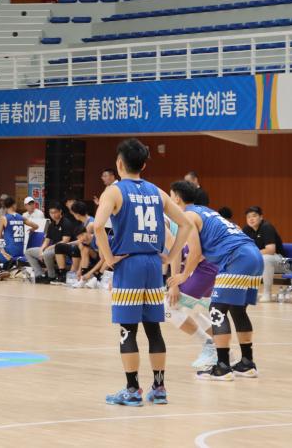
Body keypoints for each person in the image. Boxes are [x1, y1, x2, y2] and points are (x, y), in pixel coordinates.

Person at [94, 138, 193, 407]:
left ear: (119, 163)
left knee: (128, 330)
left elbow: (98, 226)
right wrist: (170, 256)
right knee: (153, 329)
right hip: (152, 264)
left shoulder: (114, 191)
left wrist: (108, 258)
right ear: (144, 165)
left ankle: (132, 390)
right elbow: (185, 224)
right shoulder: (157, 192)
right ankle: (159, 388)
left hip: (129, 264)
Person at [167, 181, 264, 381]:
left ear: (176, 198)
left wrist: (182, 276)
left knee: (217, 310)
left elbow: (196, 252)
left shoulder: (187, 216)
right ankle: (247, 363)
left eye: (170, 195)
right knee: (237, 310)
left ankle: (222, 367)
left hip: (237, 258)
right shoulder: (207, 211)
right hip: (254, 255)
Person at [162, 190, 220, 370]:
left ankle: (209, 345)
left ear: (177, 197)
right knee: (195, 311)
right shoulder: (185, 215)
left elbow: (176, 250)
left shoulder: (164, 218)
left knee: (168, 309)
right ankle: (225, 354)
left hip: (201, 269)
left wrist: (175, 283)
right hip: (206, 268)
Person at [0, 196, 38, 280]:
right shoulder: (21, 217)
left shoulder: (4, 218)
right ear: (14, 205)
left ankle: (0, 270)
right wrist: (32, 229)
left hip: (9, 252)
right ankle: (5, 271)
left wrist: (6, 236)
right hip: (20, 251)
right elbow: (36, 226)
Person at [242, 207, 286, 302]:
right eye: (248, 217)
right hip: (258, 259)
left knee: (265, 258)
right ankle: (248, 293)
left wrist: (251, 254)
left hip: (280, 261)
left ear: (261, 217)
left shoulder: (266, 227)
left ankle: (267, 293)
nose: (251, 219)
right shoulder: (246, 229)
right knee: (242, 259)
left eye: (254, 216)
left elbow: (271, 250)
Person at [25, 203, 66, 284]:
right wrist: (41, 250)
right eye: (51, 213)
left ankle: (51, 276)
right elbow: (47, 240)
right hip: (51, 248)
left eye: (55, 212)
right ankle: (40, 275)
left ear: (60, 211)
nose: (53, 215)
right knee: (28, 252)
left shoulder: (66, 223)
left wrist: (49, 248)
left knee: (47, 253)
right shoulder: (51, 225)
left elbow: (65, 241)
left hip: (62, 249)